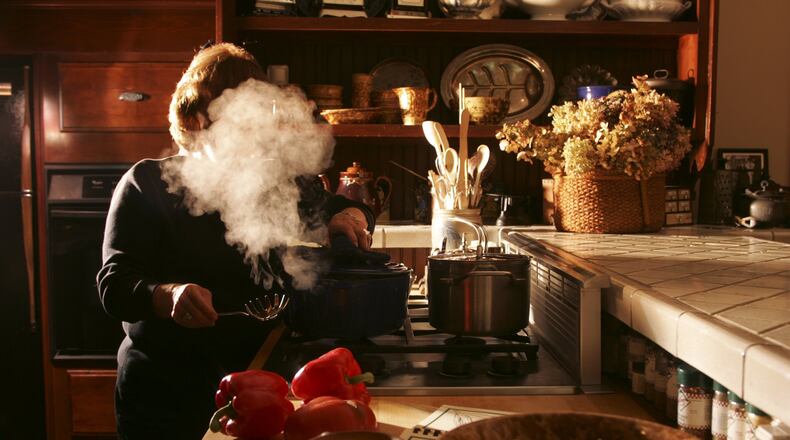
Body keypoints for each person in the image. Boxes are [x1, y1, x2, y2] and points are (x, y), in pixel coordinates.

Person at [96, 42, 375, 440]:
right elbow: (114, 285)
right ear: (192, 119)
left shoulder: (271, 182)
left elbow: (337, 207)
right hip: (167, 390)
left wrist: (350, 215)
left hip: (257, 386)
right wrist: (168, 294)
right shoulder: (147, 184)